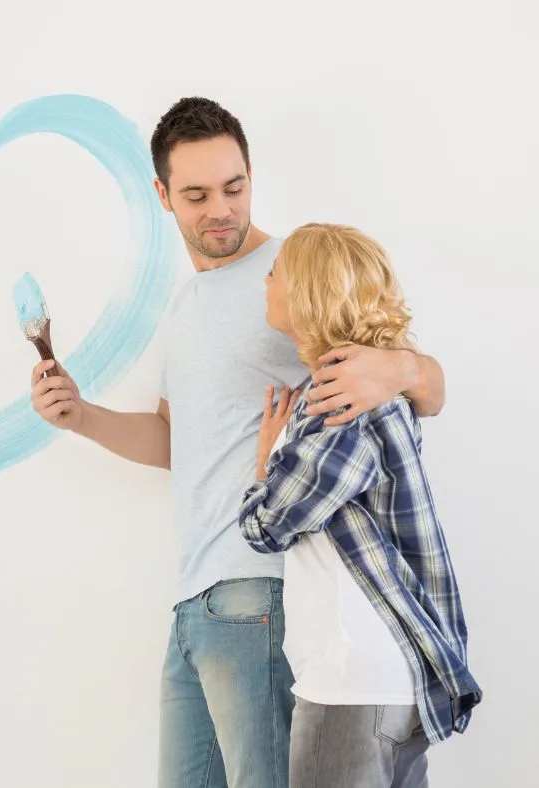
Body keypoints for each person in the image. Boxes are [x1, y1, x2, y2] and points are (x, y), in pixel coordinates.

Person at [29, 97, 447, 788]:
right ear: (163, 196)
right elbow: (175, 439)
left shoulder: (296, 274)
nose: (219, 209)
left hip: (262, 589)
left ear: (251, 175)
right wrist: (81, 416)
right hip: (195, 600)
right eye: (196, 194)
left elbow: (423, 388)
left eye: (234, 187)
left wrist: (403, 368)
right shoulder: (187, 305)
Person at [239, 223, 481, 788]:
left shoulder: (339, 401)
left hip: (353, 681)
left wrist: (264, 465)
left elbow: (267, 525)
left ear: (306, 295)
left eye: (276, 272)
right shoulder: (374, 386)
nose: (266, 280)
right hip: (391, 681)